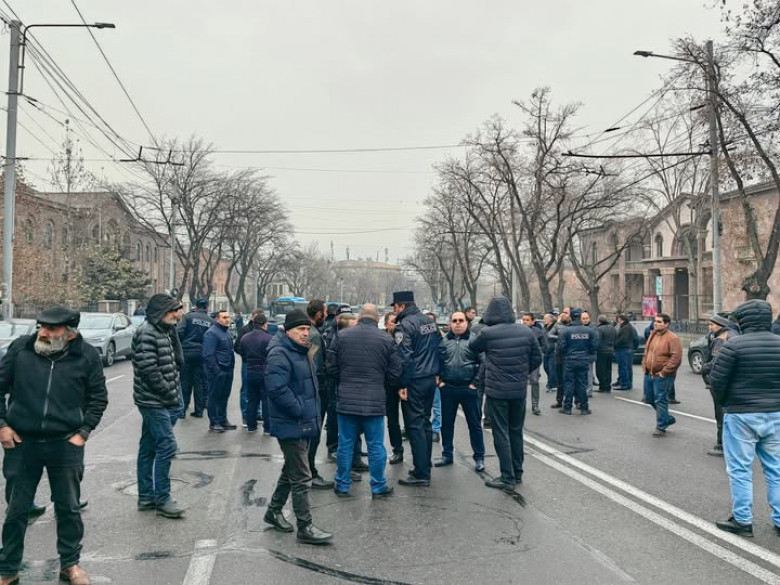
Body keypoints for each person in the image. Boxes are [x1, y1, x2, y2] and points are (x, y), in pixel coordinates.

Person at [0, 307, 108, 585]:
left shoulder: (87, 356)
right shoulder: (21, 349)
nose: (43, 333)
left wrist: (83, 433)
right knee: (16, 510)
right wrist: (2, 426)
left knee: (68, 509)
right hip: (22, 444)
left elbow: (98, 398)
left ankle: (70, 565)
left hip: (65, 444)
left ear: (70, 334)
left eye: (52, 329)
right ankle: (8, 568)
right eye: (41, 327)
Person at [710, 299, 780, 538]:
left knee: (740, 469)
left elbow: (717, 381)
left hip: (741, 414)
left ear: (743, 320)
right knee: (776, 470)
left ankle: (742, 520)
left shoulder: (733, 346)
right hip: (776, 413)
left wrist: (726, 404)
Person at [263, 310, 332, 544]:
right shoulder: (280, 353)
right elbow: (276, 389)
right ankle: (305, 526)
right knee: (302, 476)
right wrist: (300, 409)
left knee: (291, 470)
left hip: (302, 421)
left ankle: (273, 511)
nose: (305, 333)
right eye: (300, 329)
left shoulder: (300, 350)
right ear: (288, 331)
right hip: (291, 422)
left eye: (306, 329)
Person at [327, 304, 401, 498]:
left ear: (359, 317)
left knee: (345, 444)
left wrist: (344, 381)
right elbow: (395, 373)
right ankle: (378, 486)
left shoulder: (341, 336)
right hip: (374, 401)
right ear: (377, 319)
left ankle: (342, 484)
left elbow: (331, 368)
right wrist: (380, 383)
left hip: (346, 400)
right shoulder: (386, 339)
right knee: (375, 446)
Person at [470, 296, 542, 492]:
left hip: (497, 391)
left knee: (500, 432)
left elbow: (472, 347)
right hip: (519, 390)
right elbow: (537, 357)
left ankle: (507, 476)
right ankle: (517, 472)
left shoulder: (487, 333)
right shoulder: (526, 331)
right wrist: (522, 372)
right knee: (516, 431)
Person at [132, 294, 186, 520]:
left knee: (148, 447)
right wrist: (168, 391)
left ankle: (146, 496)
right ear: (161, 312)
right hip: (153, 400)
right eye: (174, 310)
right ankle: (162, 498)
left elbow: (176, 360)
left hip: (159, 398)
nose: (178, 314)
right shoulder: (147, 332)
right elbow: (149, 369)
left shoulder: (163, 330)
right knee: (167, 445)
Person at [391, 291, 441, 487]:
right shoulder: (429, 322)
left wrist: (402, 384)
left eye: (395, 307)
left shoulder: (404, 326)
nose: (394, 311)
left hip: (414, 380)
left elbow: (404, 357)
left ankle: (421, 473)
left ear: (402, 306)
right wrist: (438, 373)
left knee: (415, 426)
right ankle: (424, 465)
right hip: (429, 378)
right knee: (425, 423)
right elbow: (439, 348)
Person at [436, 311, 485, 471]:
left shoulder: (475, 341)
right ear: (450, 323)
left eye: (461, 320)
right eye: (454, 320)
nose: (457, 323)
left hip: (468, 389)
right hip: (448, 388)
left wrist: (475, 383)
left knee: (474, 425)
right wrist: (439, 380)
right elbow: (438, 360)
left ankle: (479, 457)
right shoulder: (444, 341)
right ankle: (447, 455)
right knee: (446, 424)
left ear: (466, 322)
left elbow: (484, 362)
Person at [305, 300, 336, 490]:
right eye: (324, 312)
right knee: (313, 434)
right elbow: (314, 367)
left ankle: (304, 471)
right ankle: (309, 473)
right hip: (317, 392)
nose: (325, 315)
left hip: (310, 391)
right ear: (318, 314)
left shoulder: (308, 331)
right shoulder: (314, 335)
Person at [700, 314, 737, 457]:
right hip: (731, 382)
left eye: (712, 325)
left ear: (720, 326)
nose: (710, 327)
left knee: (721, 413)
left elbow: (716, 362)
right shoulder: (734, 334)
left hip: (720, 383)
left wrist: (704, 368)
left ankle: (721, 444)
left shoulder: (721, 339)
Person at [641, 313, 682, 437]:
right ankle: (666, 418)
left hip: (663, 376)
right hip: (649, 373)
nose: (656, 323)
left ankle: (661, 426)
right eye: (655, 321)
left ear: (666, 324)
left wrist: (664, 372)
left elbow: (676, 358)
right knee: (649, 398)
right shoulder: (653, 334)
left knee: (660, 400)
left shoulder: (672, 338)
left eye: (659, 322)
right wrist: (645, 365)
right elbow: (647, 352)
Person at [177, 298, 213, 418]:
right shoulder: (210, 321)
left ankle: (182, 410)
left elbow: (179, 332)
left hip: (187, 352)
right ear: (207, 307)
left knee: (185, 381)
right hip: (202, 354)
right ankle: (199, 410)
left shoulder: (188, 317)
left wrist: (182, 344)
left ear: (196, 307)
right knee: (199, 383)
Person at [558, 308, 598, 416]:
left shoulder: (565, 331)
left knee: (569, 384)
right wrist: (587, 355)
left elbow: (561, 347)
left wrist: (565, 355)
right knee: (581, 384)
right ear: (580, 318)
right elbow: (594, 345)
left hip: (569, 360)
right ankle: (584, 408)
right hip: (583, 360)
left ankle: (567, 408)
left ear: (571, 318)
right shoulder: (589, 331)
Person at [202, 310, 236, 433]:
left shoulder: (226, 332)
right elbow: (208, 354)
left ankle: (222, 420)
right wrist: (217, 370)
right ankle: (214, 422)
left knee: (224, 396)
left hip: (228, 369)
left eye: (228, 317)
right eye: (224, 317)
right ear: (217, 319)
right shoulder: (211, 333)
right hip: (218, 370)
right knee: (214, 396)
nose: (227, 320)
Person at [239, 312, 273, 434]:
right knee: (266, 400)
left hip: (250, 370)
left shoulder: (245, 338)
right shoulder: (269, 338)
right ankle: (267, 428)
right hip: (264, 371)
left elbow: (242, 354)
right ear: (264, 324)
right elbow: (272, 355)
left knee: (252, 400)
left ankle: (251, 426)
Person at [235, 309, 264, 428]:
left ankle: (257, 413)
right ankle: (246, 415)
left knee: (258, 389)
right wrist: (246, 356)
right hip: (247, 363)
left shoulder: (263, 331)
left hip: (260, 363)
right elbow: (237, 346)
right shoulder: (245, 330)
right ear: (252, 317)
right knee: (246, 390)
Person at [384, 312, 404, 464]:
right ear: (386, 324)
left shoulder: (404, 338)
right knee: (392, 419)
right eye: (392, 322)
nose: (396, 325)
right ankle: (397, 449)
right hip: (387, 385)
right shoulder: (382, 339)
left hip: (404, 383)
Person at [521, 312, 546, 415]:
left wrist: (539, 354)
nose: (525, 322)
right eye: (523, 320)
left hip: (534, 360)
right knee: (521, 382)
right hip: (521, 360)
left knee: (534, 381)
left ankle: (535, 405)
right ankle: (521, 404)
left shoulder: (538, 332)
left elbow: (544, 345)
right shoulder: (519, 331)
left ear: (533, 321)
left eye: (527, 320)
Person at [426, 311, 443, 443]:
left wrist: (439, 375)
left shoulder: (439, 338)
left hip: (435, 376)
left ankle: (436, 430)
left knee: (436, 405)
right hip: (422, 376)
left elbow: (442, 358)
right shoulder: (419, 337)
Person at [549, 313, 570, 408]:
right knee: (561, 380)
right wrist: (561, 338)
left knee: (567, 379)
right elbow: (549, 335)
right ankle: (560, 400)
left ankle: (566, 400)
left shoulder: (570, 326)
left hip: (567, 354)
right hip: (560, 355)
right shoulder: (557, 326)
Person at [613, 314, 635, 390]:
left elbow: (623, 339)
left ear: (620, 319)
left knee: (624, 367)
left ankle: (624, 384)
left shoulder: (625, 327)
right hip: (627, 349)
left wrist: (615, 344)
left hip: (623, 349)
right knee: (626, 367)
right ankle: (624, 382)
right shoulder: (627, 326)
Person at [595, 315, 615, 392]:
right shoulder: (612, 328)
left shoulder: (599, 329)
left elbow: (598, 341)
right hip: (610, 350)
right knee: (608, 369)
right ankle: (608, 385)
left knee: (600, 370)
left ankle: (602, 386)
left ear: (599, 321)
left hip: (602, 351)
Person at [542, 314, 557, 392]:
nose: (544, 320)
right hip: (545, 351)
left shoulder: (554, 327)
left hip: (553, 350)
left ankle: (550, 385)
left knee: (552, 369)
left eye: (545, 319)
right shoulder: (544, 328)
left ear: (550, 320)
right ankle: (553, 381)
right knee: (546, 367)